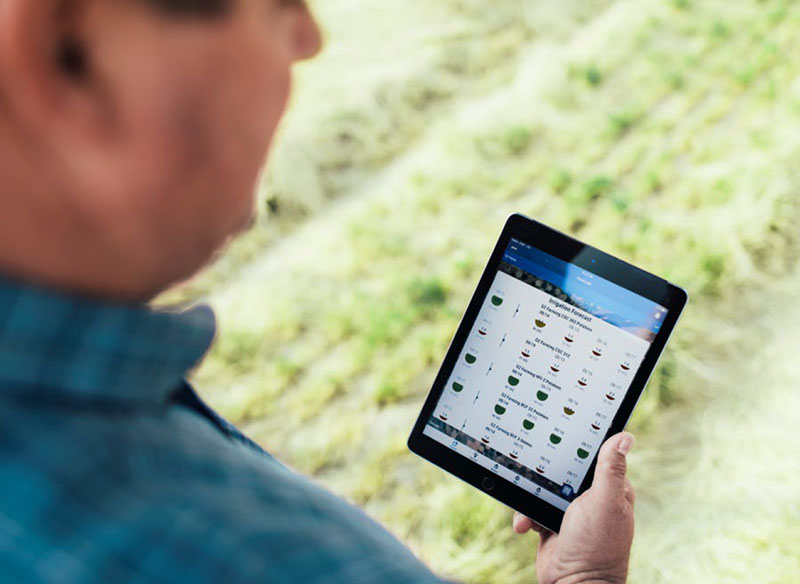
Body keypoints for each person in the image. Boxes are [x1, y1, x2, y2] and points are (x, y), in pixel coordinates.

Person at [0, 0, 636, 582]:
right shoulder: (288, 562)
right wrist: (586, 579)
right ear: (59, 46)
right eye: (277, 3)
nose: (309, 38)